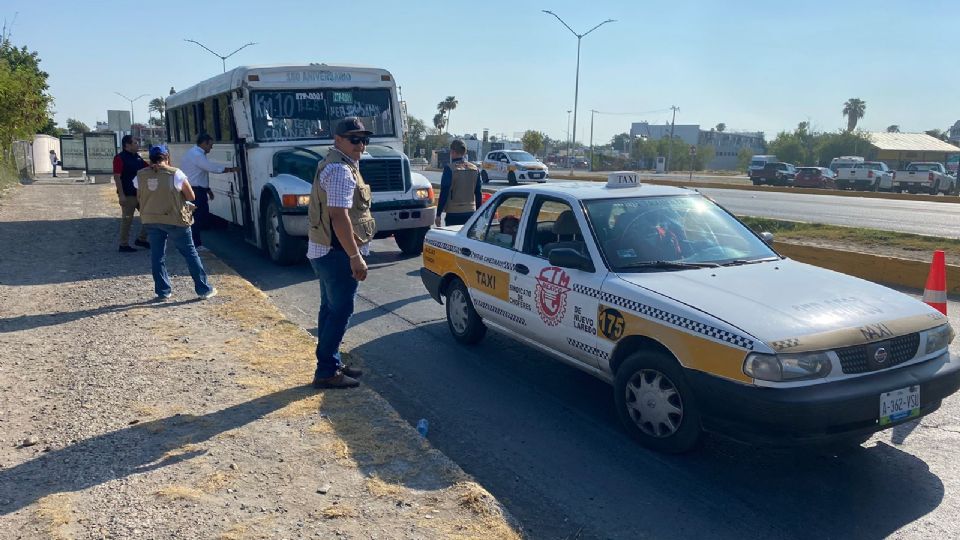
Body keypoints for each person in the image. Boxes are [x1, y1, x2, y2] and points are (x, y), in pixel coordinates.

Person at [306, 117, 377, 389]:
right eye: (354, 139)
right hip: (337, 254)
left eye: (364, 139)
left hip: (324, 251)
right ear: (338, 140)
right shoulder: (340, 171)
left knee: (329, 308)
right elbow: (338, 217)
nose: (361, 145)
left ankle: (330, 362)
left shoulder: (338, 164)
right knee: (341, 311)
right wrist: (355, 256)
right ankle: (326, 371)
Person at [136, 145, 217, 301]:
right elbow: (191, 196)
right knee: (190, 253)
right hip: (175, 219)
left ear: (150, 159)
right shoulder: (175, 173)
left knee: (157, 256)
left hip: (151, 219)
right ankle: (203, 289)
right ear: (167, 157)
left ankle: (163, 291)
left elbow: (140, 195)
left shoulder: (140, 175)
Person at [179, 133, 238, 251]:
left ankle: (193, 243)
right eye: (210, 145)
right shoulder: (197, 155)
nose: (211, 148)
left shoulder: (194, 153)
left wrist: (208, 189)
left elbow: (198, 174)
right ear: (204, 143)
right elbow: (210, 167)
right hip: (195, 191)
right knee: (196, 218)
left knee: (197, 217)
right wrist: (231, 169)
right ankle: (195, 245)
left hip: (195, 188)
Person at [113, 135, 150, 252]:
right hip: (128, 195)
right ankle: (123, 244)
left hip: (140, 194)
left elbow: (148, 168)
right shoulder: (120, 158)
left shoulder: (137, 158)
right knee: (127, 220)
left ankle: (141, 239)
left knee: (149, 216)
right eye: (135, 143)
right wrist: (121, 195)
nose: (137, 144)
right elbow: (117, 177)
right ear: (127, 145)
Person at [434, 139, 482, 227]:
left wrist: (438, 214)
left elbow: (444, 192)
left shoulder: (449, 169)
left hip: (453, 213)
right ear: (464, 152)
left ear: (452, 152)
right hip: (470, 212)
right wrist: (478, 214)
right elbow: (478, 193)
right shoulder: (475, 169)